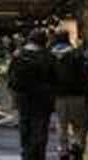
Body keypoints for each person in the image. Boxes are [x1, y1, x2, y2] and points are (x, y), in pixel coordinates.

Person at [8, 28, 56, 160]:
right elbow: (54, 78)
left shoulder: (18, 54)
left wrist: (14, 96)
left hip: (23, 97)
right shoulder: (47, 55)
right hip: (42, 99)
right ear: (44, 40)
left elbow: (10, 77)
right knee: (40, 128)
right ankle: (37, 155)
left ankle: (26, 152)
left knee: (25, 126)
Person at [51, 28, 88, 160]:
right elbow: (87, 76)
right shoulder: (78, 54)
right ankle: (77, 145)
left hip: (58, 96)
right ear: (68, 38)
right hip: (78, 95)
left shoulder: (50, 55)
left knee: (61, 123)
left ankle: (63, 149)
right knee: (79, 124)